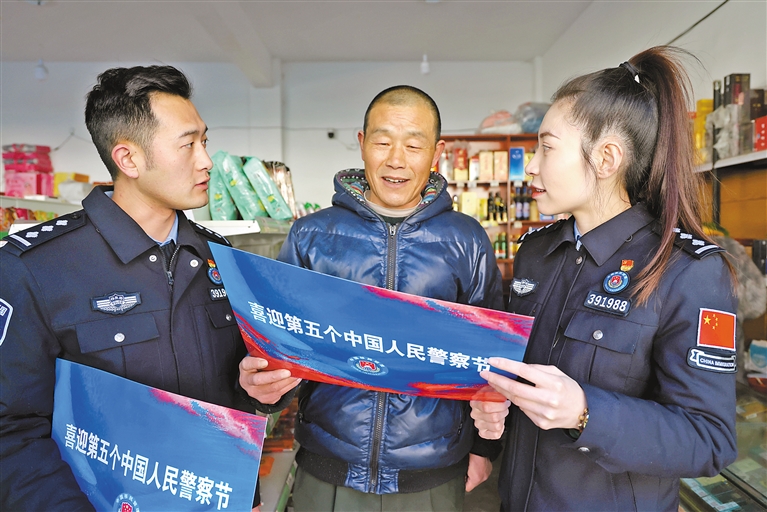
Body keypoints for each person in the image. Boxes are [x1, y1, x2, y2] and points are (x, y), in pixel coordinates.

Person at [470, 46, 738, 511]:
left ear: (607, 158)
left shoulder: (687, 271)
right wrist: (495, 404)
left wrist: (585, 413)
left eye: (547, 147)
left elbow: (709, 438)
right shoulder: (536, 253)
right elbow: (520, 374)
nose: (530, 165)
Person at [239, 85, 505, 511]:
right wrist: (266, 386)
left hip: (432, 470)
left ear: (436, 153)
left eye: (413, 145)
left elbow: (491, 358)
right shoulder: (311, 235)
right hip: (328, 466)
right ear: (362, 145)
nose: (396, 159)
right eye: (383, 142)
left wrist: (484, 448)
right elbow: (282, 350)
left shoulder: (466, 240)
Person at [0, 66, 253, 510]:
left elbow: (237, 391)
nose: (206, 161)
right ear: (128, 159)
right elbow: (12, 429)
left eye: (205, 141)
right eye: (188, 144)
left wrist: (266, 390)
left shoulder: (219, 257)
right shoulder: (35, 269)